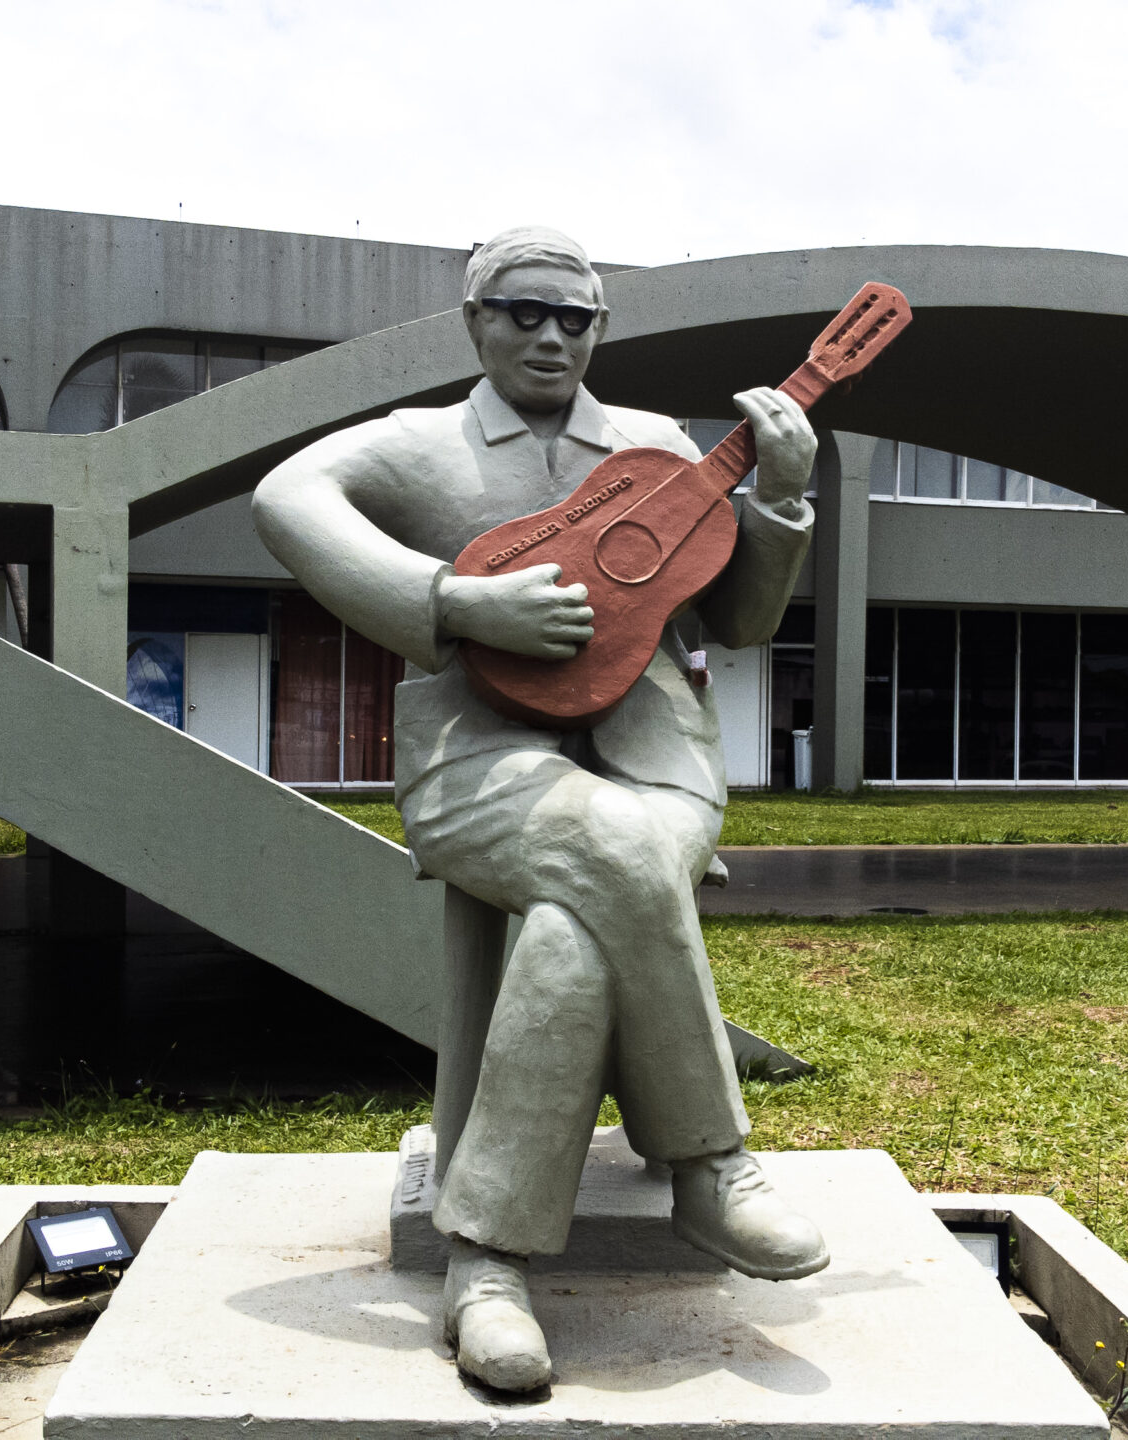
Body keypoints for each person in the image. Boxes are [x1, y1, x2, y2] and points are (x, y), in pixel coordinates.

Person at [253, 225, 826, 1392]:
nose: (551, 334)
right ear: (475, 319)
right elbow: (284, 496)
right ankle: (709, 1167)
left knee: (587, 899)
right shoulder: (420, 450)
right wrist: (453, 602)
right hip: (477, 763)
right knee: (607, 863)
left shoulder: (660, 449)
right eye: (523, 311)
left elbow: (738, 626)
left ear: (600, 330)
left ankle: (488, 1266)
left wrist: (781, 500)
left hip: (655, 763)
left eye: (576, 317)